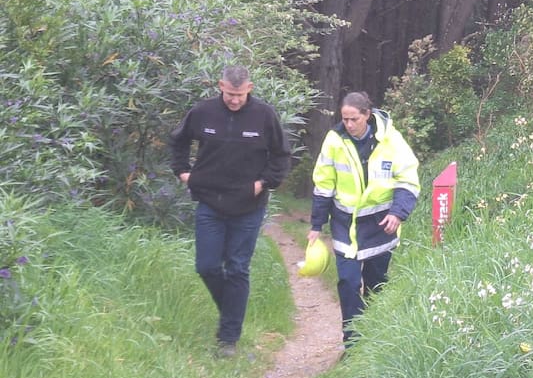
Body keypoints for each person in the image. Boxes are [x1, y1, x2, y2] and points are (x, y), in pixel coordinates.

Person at [169, 65, 292, 358]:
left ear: (249, 88)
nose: (234, 100)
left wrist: (263, 183)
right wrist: (184, 173)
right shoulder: (203, 112)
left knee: (237, 269)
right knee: (207, 266)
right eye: (229, 94)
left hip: (248, 207)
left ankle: (228, 340)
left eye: (239, 95)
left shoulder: (264, 115)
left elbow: (281, 155)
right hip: (210, 203)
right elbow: (178, 141)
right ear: (220, 86)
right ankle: (232, 314)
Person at [308, 92, 420, 347]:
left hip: (380, 226)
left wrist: (397, 213)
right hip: (344, 225)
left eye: (354, 119)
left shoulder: (392, 140)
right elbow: (324, 183)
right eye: (344, 119)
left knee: (376, 285)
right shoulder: (334, 141)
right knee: (348, 283)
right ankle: (352, 343)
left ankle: (373, 341)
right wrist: (316, 225)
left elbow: (408, 179)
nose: (348, 124)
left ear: (367, 115)